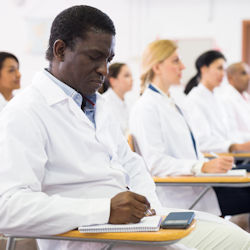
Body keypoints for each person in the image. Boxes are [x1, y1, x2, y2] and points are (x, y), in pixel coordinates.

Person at [0, 5, 249, 250]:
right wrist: (105, 210)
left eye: (108, 60)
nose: (104, 70)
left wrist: (148, 207)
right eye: (94, 57)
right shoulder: (25, 112)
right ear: (61, 50)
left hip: (137, 226)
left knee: (239, 240)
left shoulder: (96, 105)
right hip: (89, 236)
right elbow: (8, 208)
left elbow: (132, 164)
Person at [129, 39, 250, 217]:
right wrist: (201, 166)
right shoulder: (146, 107)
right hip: (182, 198)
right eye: (176, 61)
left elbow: (191, 151)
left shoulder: (173, 102)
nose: (183, 67)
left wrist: (214, 163)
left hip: (202, 186)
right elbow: (155, 163)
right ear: (157, 67)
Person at [184, 50, 250, 153]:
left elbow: (230, 133)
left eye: (224, 70)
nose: (223, 74)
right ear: (204, 69)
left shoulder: (219, 98)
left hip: (230, 158)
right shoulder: (194, 100)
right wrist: (235, 147)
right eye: (219, 68)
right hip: (213, 161)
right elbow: (202, 142)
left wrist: (242, 144)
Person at [217, 62, 250, 134]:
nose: (249, 77)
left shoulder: (246, 96)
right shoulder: (225, 99)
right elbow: (232, 133)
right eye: (244, 73)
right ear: (230, 78)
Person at [102, 63, 133, 136]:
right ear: (113, 81)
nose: (132, 79)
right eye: (127, 76)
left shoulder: (128, 102)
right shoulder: (104, 102)